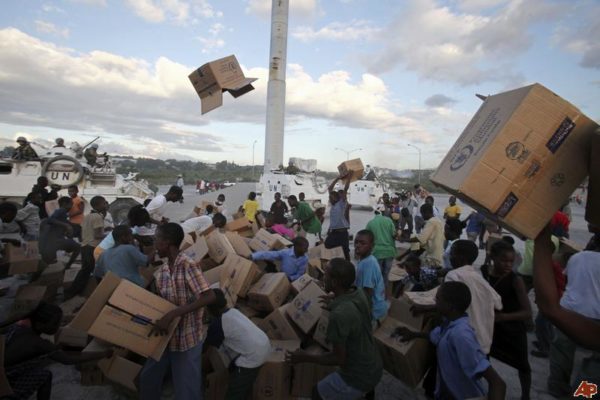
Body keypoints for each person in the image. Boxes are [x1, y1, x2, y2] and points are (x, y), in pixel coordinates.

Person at [286, 258, 383, 400]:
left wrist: (304, 357)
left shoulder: (339, 315)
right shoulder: (359, 292)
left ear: (335, 282)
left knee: (317, 393)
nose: (322, 277)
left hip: (358, 376)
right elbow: (349, 306)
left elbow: (338, 358)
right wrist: (334, 301)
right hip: (374, 363)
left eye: (325, 274)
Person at [139, 223, 216, 400]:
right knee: (148, 378)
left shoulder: (188, 265)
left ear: (167, 243)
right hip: (165, 334)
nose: (154, 243)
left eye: (156, 239)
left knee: (186, 389)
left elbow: (209, 296)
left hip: (186, 337)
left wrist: (173, 314)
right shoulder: (163, 271)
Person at [396, 281, 507, 400]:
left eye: (438, 299)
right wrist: (414, 334)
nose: (435, 302)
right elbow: (436, 336)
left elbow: (498, 383)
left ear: (450, 306)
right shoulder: (449, 324)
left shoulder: (461, 336)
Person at [535, 225, 600, 396]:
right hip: (595, 315)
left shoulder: (577, 258)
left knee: (562, 353)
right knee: (594, 366)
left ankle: (557, 385)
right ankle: (584, 393)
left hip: (569, 310)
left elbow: (567, 278)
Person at [2, 302, 112, 400]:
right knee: (45, 375)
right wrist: (103, 354)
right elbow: (68, 359)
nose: (58, 327)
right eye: (55, 324)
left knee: (40, 361)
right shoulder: (39, 344)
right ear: (40, 324)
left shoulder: (19, 327)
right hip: (4, 384)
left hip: (5, 370)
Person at [481, 241, 532, 400]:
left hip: (512, 329)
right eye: (504, 260)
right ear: (493, 257)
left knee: (523, 365)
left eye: (511, 261)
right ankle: (490, 387)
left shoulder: (516, 280)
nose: (508, 265)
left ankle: (525, 396)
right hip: (492, 327)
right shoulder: (485, 272)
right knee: (484, 356)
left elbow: (527, 312)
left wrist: (503, 317)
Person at [205, 288, 271, 400]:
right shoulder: (234, 311)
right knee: (232, 368)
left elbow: (206, 347)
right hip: (264, 345)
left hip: (254, 356)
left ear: (211, 310)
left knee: (234, 393)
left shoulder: (218, 325)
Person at [65, 196, 107, 298]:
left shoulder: (88, 216)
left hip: (85, 246)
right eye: (104, 203)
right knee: (94, 271)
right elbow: (97, 235)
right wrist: (109, 235)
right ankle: (99, 292)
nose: (106, 205)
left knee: (86, 270)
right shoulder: (97, 217)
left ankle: (75, 291)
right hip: (92, 247)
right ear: (98, 205)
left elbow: (86, 230)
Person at [354, 230, 388, 324]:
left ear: (372, 246)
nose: (358, 245)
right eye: (356, 242)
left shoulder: (369, 263)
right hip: (372, 304)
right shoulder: (364, 260)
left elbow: (367, 293)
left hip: (374, 310)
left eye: (362, 243)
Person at [38, 196, 80, 269]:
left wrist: (70, 225)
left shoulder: (63, 215)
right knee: (78, 248)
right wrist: (66, 225)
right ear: (64, 204)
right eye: (71, 204)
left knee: (48, 263)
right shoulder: (61, 210)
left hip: (56, 240)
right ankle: (68, 266)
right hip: (54, 241)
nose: (71, 207)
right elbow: (50, 220)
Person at [365, 209, 396, 293]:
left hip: (376, 252)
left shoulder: (370, 223)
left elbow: (366, 238)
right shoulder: (389, 221)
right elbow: (394, 235)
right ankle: (383, 293)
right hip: (389, 252)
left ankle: (376, 294)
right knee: (386, 275)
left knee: (377, 275)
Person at [409, 203, 444, 268]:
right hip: (438, 255)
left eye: (422, 214)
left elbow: (420, 239)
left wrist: (404, 239)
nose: (422, 216)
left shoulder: (431, 222)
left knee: (414, 239)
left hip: (432, 258)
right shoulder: (438, 221)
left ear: (427, 212)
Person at [325, 175, 351, 260]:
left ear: (336, 198)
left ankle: (349, 271)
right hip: (334, 233)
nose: (329, 199)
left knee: (345, 253)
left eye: (331, 197)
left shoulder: (341, 204)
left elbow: (346, 189)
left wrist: (349, 176)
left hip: (342, 234)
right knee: (327, 246)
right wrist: (337, 178)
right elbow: (330, 189)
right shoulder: (333, 206)